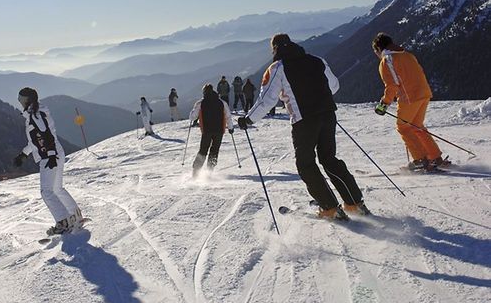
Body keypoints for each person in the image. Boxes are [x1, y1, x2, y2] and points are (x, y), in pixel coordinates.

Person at [237, 34, 369, 220]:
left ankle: (329, 207)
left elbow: (267, 100)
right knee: (329, 159)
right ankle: (354, 203)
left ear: (274, 48)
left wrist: (248, 120)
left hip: (304, 119)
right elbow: (334, 86)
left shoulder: (277, 68)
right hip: (328, 113)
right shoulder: (317, 60)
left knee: (305, 163)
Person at [13, 87, 84, 236]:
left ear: (27, 100)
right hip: (55, 153)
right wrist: (23, 154)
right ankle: (74, 215)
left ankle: (63, 222)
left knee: (46, 191)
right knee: (57, 189)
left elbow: (46, 135)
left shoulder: (35, 115)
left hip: (49, 156)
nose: (19, 102)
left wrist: (51, 155)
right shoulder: (36, 113)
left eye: (21, 99)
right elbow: (36, 140)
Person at [372, 33, 445, 171]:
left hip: (409, 97)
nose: (376, 54)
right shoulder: (407, 55)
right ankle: (434, 157)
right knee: (417, 126)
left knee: (403, 127)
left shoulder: (387, 60)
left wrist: (384, 103)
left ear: (378, 48)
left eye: (375, 51)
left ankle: (420, 160)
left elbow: (392, 85)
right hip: (424, 93)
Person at [189, 84, 234, 178]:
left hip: (207, 130)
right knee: (214, 150)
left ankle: (195, 172)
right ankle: (210, 171)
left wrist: (193, 109)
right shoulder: (221, 102)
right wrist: (230, 128)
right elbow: (228, 115)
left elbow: (192, 117)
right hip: (219, 130)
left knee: (203, 151)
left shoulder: (201, 103)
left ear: (204, 92)